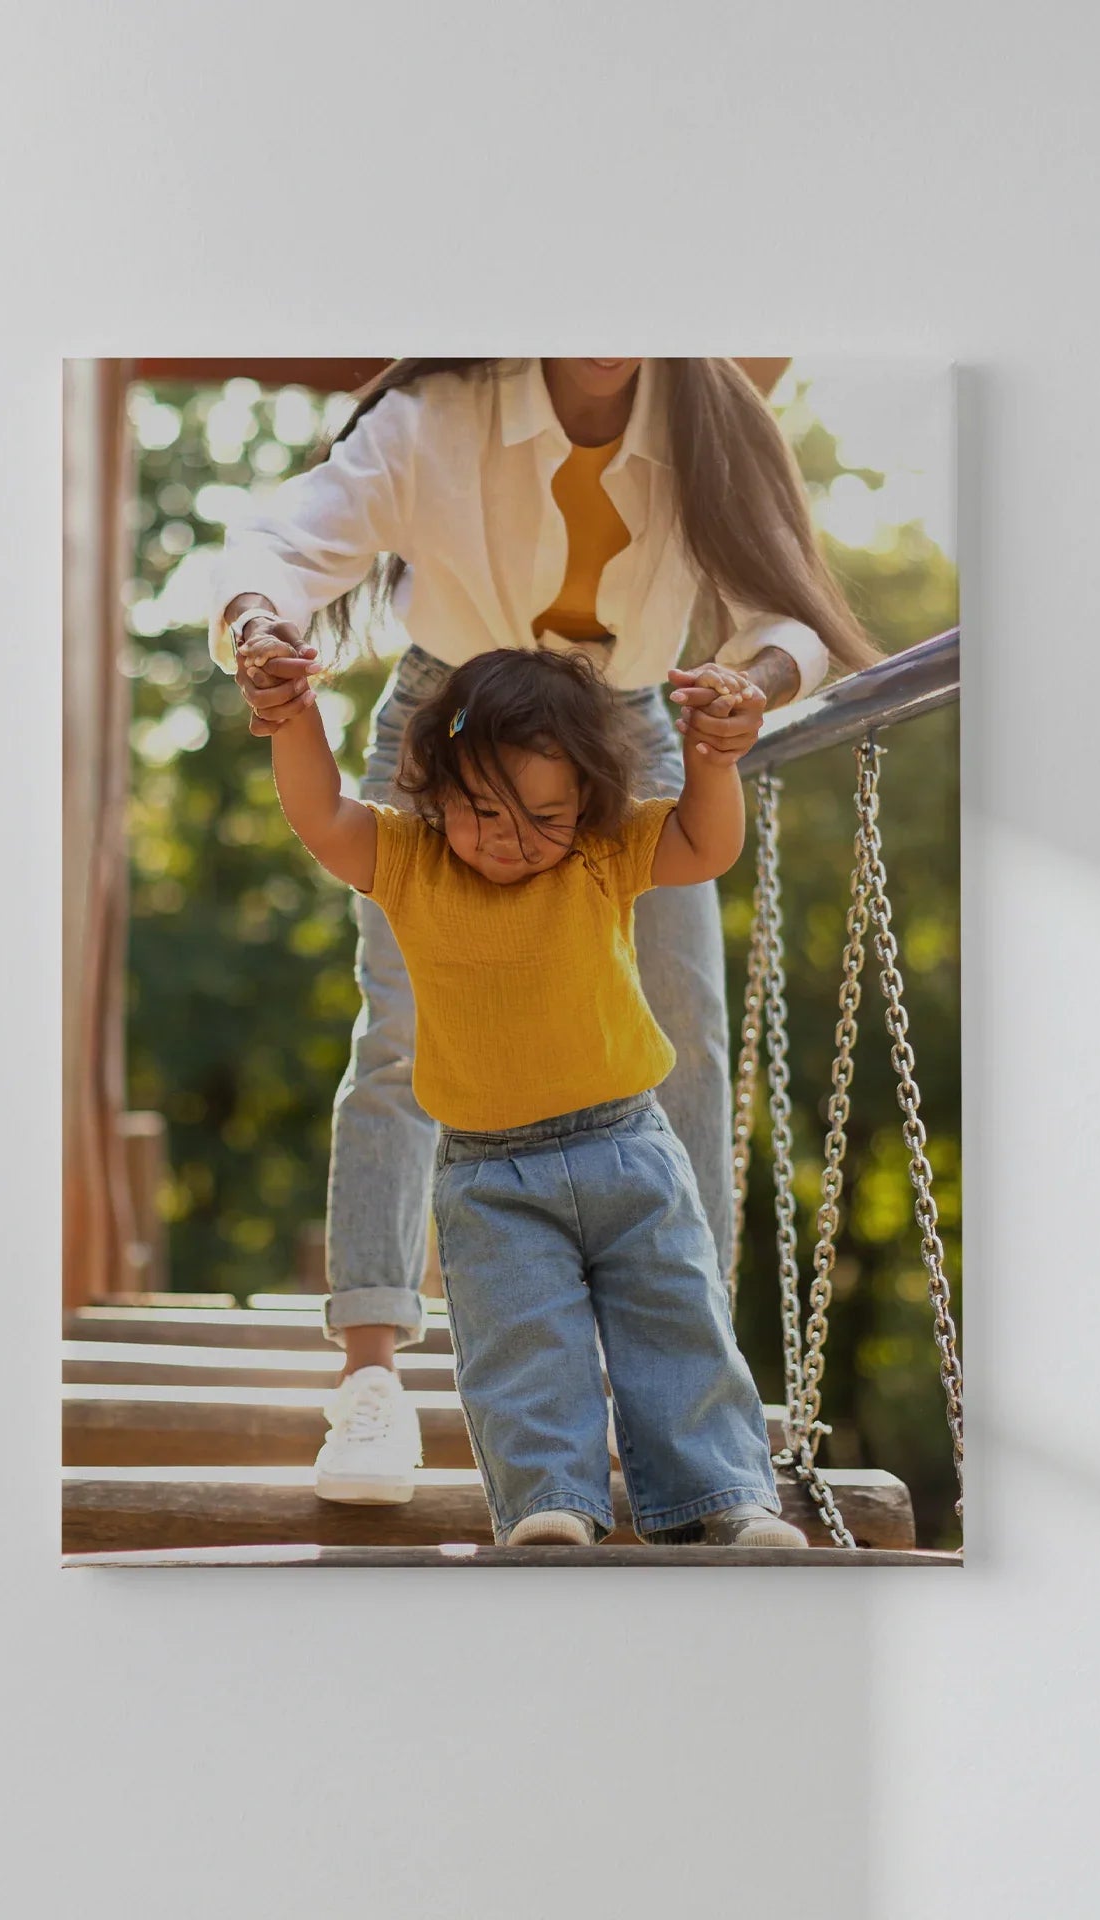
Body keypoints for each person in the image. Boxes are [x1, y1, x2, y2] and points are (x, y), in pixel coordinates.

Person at [209, 358, 875, 1503]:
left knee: (683, 1038)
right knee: (407, 1035)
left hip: (626, 728)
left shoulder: (710, 417)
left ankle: (684, 1386)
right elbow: (280, 540)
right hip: (453, 723)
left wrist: (748, 684)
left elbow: (785, 617)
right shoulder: (443, 417)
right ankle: (371, 1381)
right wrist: (263, 628)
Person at [259, 642, 806, 1546]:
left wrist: (712, 760)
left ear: (587, 800)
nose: (512, 838)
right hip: (490, 1175)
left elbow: (708, 845)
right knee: (522, 1346)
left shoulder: (601, 852)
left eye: (544, 814)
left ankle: (724, 1499)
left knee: (678, 1321)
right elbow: (318, 812)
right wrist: (294, 717)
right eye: (483, 811)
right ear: (433, 788)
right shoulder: (408, 861)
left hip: (629, 1146)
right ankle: (553, 1502)